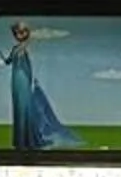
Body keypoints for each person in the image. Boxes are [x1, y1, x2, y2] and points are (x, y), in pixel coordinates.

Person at [6, 21, 83, 151]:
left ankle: (27, 140)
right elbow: (9, 60)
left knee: (25, 108)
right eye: (18, 32)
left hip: (23, 80)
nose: (21, 35)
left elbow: (24, 56)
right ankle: (21, 140)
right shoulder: (17, 49)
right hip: (18, 81)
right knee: (20, 108)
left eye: (23, 32)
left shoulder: (22, 47)